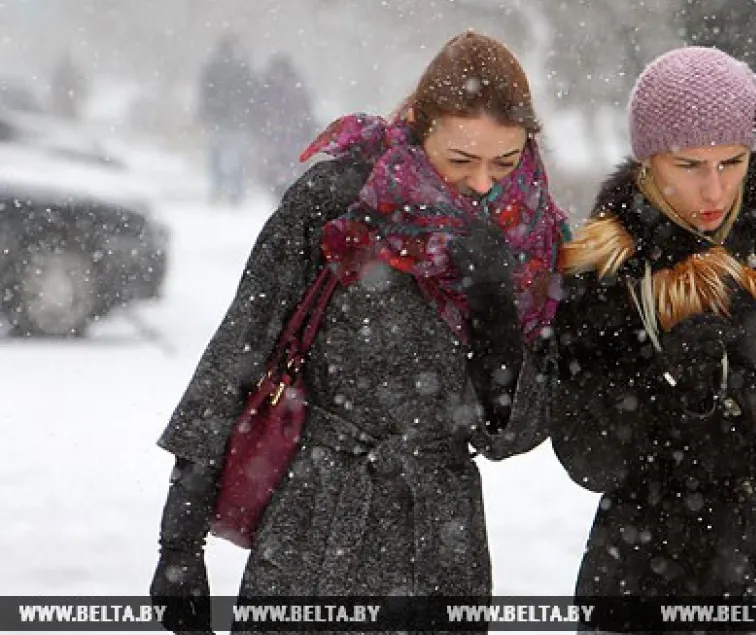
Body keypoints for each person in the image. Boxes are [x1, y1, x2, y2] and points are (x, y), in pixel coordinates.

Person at [150, 31, 568, 632]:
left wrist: (497, 312)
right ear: (421, 127)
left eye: (504, 161)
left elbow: (508, 437)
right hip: (314, 526)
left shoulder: (538, 240)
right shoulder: (342, 200)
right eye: (461, 159)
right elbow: (240, 350)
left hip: (441, 548)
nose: (483, 183)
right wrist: (179, 544)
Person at [550, 46, 756, 626]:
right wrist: (662, 382)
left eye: (730, 162)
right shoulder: (605, 268)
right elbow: (587, 455)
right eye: (689, 166)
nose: (713, 190)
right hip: (653, 573)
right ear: (649, 159)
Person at [198, 32, 256, 206]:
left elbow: (205, 92)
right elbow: (250, 92)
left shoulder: (212, 67)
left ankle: (217, 188)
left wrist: (206, 112)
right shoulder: (242, 67)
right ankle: (236, 191)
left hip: (218, 119)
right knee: (238, 158)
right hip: (239, 120)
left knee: (216, 156)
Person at [250, 52, 318, 197]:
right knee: (292, 162)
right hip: (294, 132)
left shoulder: (267, 84)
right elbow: (307, 109)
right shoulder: (297, 85)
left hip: (274, 132)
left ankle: (279, 187)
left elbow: (259, 109)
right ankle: (289, 187)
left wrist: (261, 128)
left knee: (276, 162)